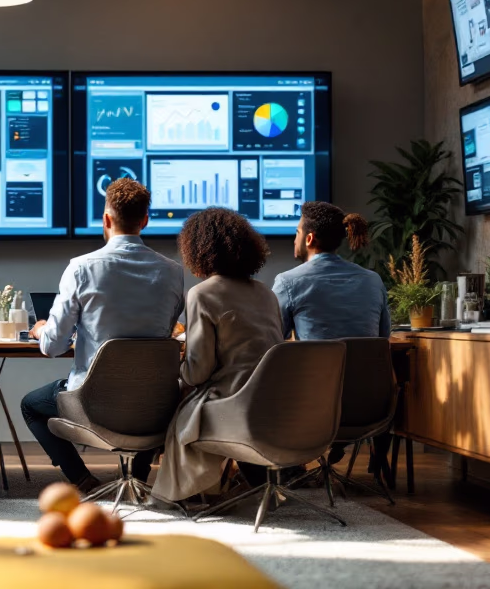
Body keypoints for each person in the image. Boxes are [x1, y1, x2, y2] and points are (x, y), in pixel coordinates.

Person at [22, 178, 185, 494]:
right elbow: (166, 333)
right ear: (145, 221)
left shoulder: (80, 268)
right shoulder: (173, 271)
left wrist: (42, 329)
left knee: (31, 405)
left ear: (107, 220)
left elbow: (53, 347)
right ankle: (138, 478)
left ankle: (82, 480)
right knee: (145, 388)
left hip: (92, 404)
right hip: (155, 405)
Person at [153, 207, 282, 504]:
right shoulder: (266, 293)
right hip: (275, 402)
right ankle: (232, 480)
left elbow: (198, 371)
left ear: (197, 249)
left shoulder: (202, 294)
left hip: (233, 402)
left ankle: (190, 491)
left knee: (179, 397)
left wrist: (177, 367)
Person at [273, 201, 390, 341]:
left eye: (297, 233)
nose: (294, 240)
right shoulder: (373, 280)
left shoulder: (287, 283)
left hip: (317, 363)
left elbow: (274, 337)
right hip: (367, 363)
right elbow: (383, 337)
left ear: (309, 239)